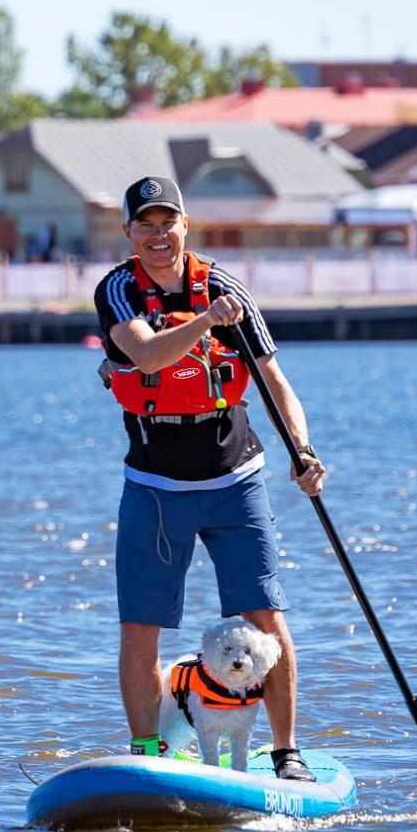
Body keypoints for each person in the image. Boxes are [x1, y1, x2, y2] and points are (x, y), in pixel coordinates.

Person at [92, 175, 327, 781]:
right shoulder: (118, 290)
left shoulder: (225, 288)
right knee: (140, 625)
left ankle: (286, 754)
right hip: (155, 485)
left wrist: (303, 451)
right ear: (129, 233)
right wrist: (207, 321)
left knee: (266, 617)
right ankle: (149, 754)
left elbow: (277, 384)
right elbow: (146, 356)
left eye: (167, 221)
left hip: (234, 479)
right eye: (145, 224)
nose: (158, 234)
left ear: (185, 225)